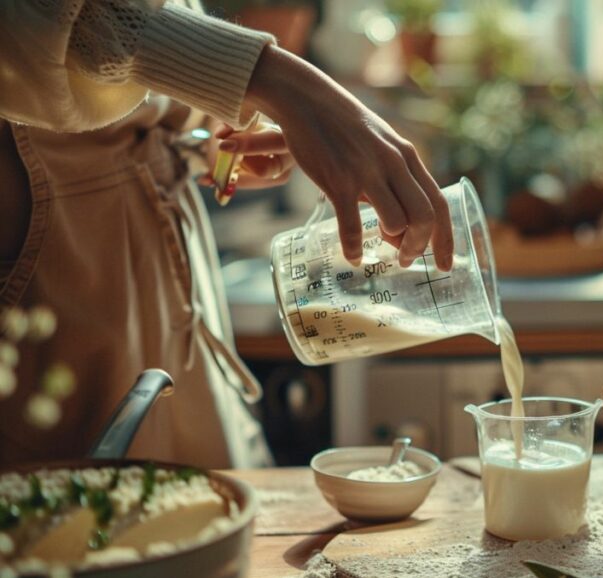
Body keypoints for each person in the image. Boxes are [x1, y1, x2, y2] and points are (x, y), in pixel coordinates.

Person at [0, 0, 454, 468]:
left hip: (165, 261)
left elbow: (138, 47)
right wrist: (285, 85)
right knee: (80, 497)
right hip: (68, 257)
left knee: (197, 488)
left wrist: (203, 137)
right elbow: (49, 22)